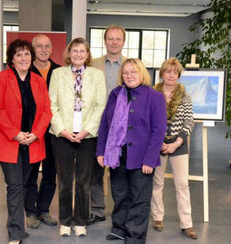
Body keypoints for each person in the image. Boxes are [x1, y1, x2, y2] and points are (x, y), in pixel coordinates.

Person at [0, 39, 52, 244]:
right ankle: (15, 233)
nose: (23, 58)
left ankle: (17, 226)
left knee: (25, 184)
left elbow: (46, 111)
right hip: (10, 141)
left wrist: (36, 133)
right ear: (12, 60)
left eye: (26, 54)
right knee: (15, 186)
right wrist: (15, 133)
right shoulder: (1, 78)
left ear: (31, 57)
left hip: (32, 142)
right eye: (19, 55)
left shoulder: (38, 81)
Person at [96, 58, 166, 243]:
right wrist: (101, 151)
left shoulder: (154, 97)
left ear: (142, 73)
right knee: (120, 194)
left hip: (142, 157)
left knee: (139, 198)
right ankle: (119, 228)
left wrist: (150, 160)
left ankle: (135, 236)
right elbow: (105, 124)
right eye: (125, 73)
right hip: (116, 154)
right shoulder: (115, 94)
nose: (129, 76)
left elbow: (158, 131)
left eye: (133, 72)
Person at [49, 37, 107, 237]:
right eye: (75, 50)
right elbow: (51, 105)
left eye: (82, 51)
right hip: (62, 135)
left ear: (88, 54)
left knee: (84, 180)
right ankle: (65, 221)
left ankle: (81, 220)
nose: (78, 54)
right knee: (64, 180)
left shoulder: (97, 75)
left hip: (87, 137)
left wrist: (86, 130)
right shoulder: (57, 74)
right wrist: (63, 130)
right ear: (69, 53)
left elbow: (101, 106)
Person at [150, 57, 197, 239]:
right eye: (168, 71)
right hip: (157, 144)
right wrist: (159, 141)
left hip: (179, 145)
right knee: (157, 182)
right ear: (162, 73)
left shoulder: (185, 96)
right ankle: (157, 217)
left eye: (175, 72)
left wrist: (177, 142)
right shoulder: (153, 94)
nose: (171, 75)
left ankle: (187, 224)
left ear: (178, 75)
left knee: (182, 184)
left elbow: (188, 122)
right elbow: (150, 120)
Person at [89, 25, 127, 225]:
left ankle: (121, 211)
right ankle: (96, 209)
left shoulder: (131, 65)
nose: (114, 42)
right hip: (97, 123)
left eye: (118, 39)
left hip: (121, 127)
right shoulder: (93, 65)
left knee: (119, 172)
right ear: (105, 41)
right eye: (110, 39)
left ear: (123, 41)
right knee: (96, 169)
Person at [23, 34, 61, 229]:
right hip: (31, 131)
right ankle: (30, 211)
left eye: (47, 46)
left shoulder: (59, 71)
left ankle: (43, 209)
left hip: (52, 131)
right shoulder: (25, 71)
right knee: (29, 172)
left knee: (50, 172)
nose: (44, 49)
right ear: (32, 49)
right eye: (39, 46)